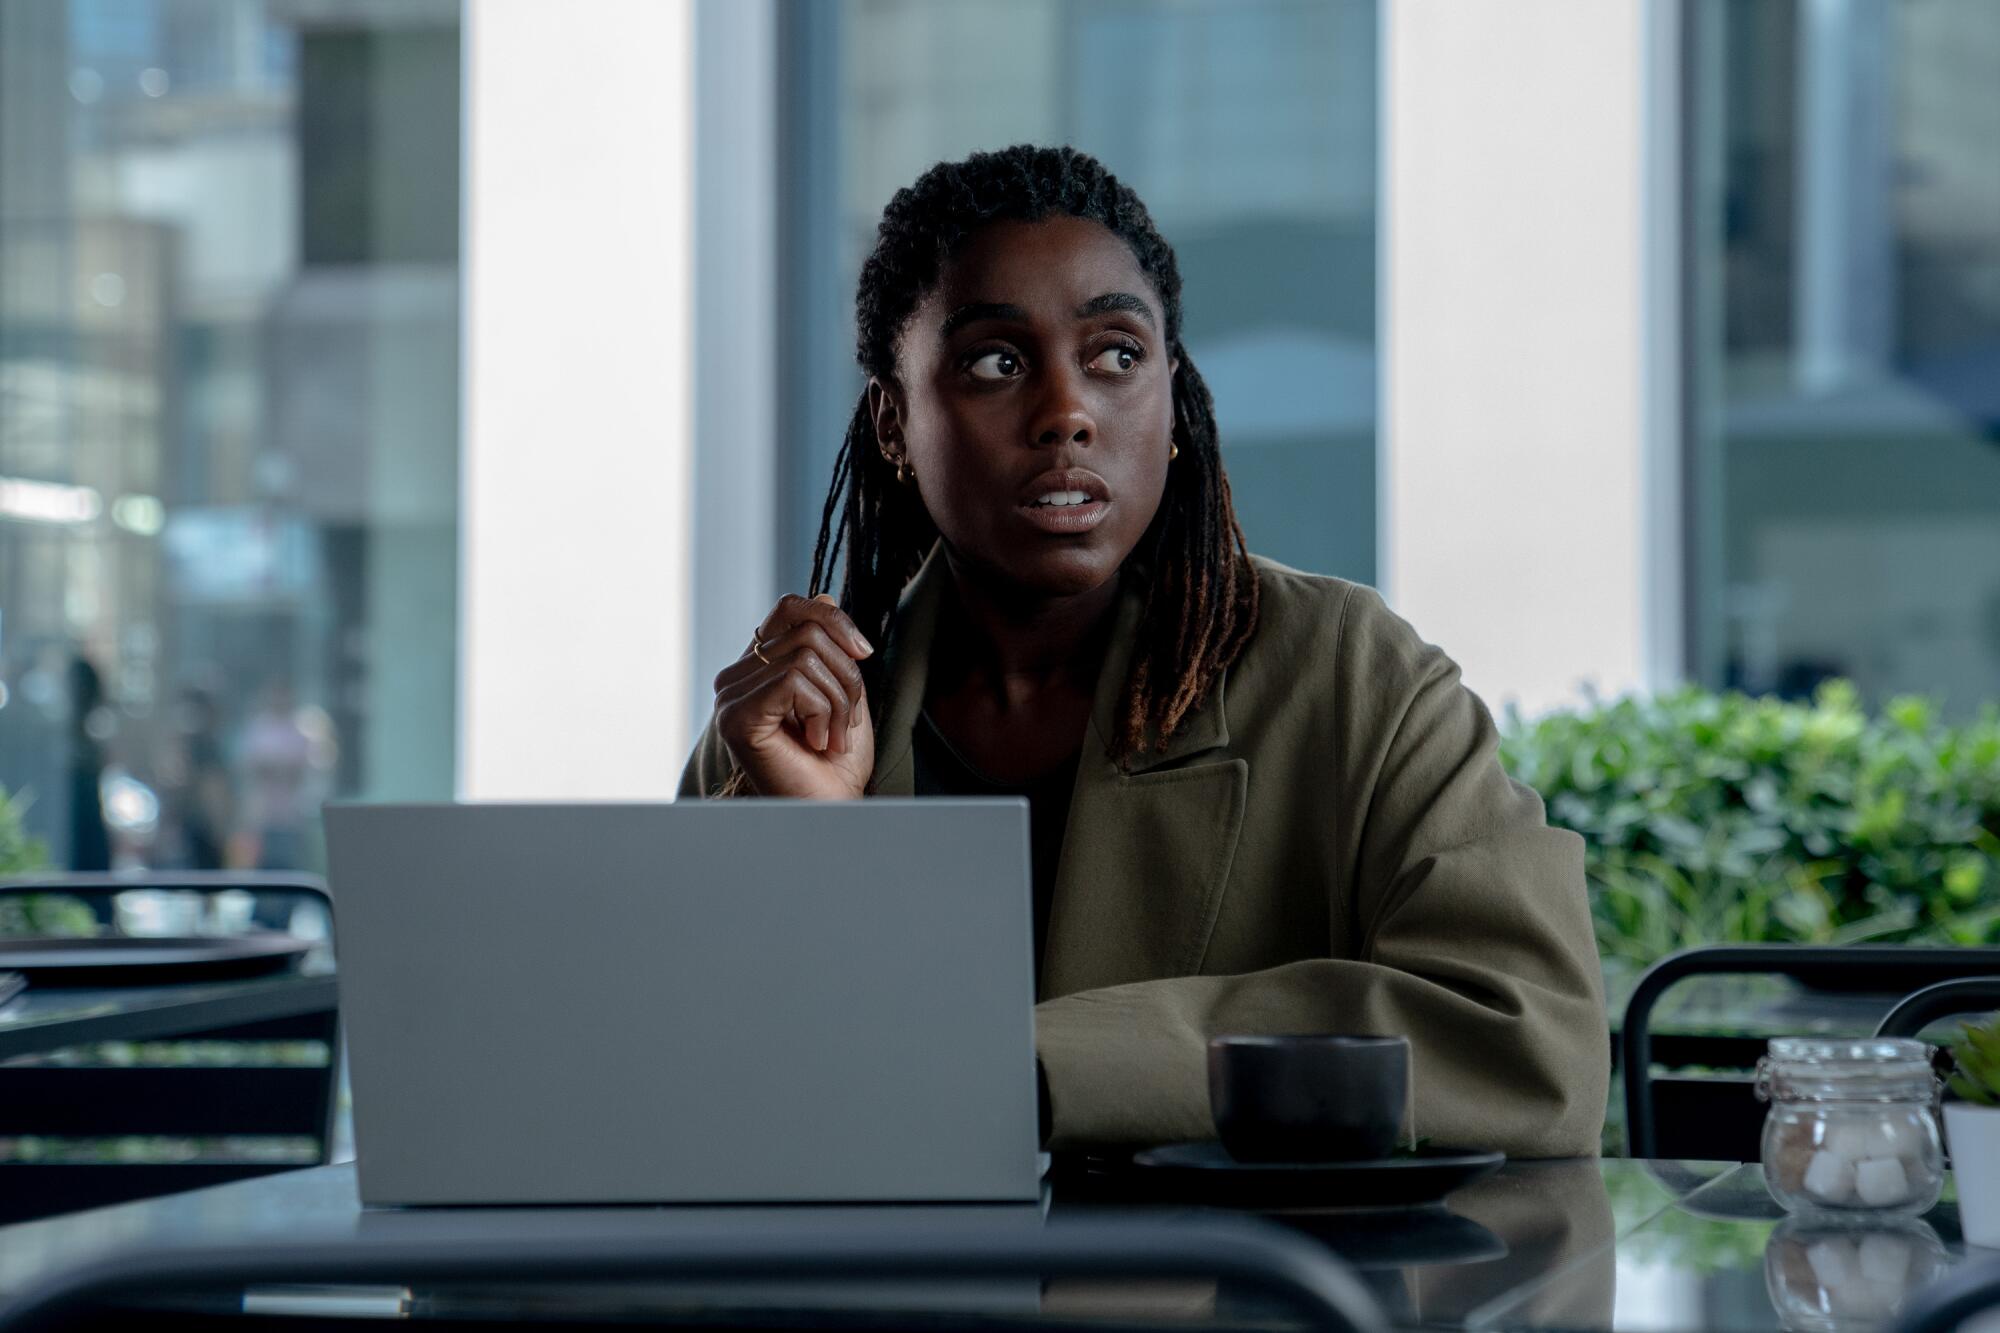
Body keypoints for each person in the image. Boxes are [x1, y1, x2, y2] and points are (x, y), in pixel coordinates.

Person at [681, 145, 1607, 1157]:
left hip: (1251, 1304)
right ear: (893, 422)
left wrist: (1031, 1069)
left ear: (1171, 399)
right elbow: (666, 1091)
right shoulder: (778, 733)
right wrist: (818, 845)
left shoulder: (1354, 682)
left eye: (1116, 354)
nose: (1066, 414)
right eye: (995, 360)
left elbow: (1529, 1041)